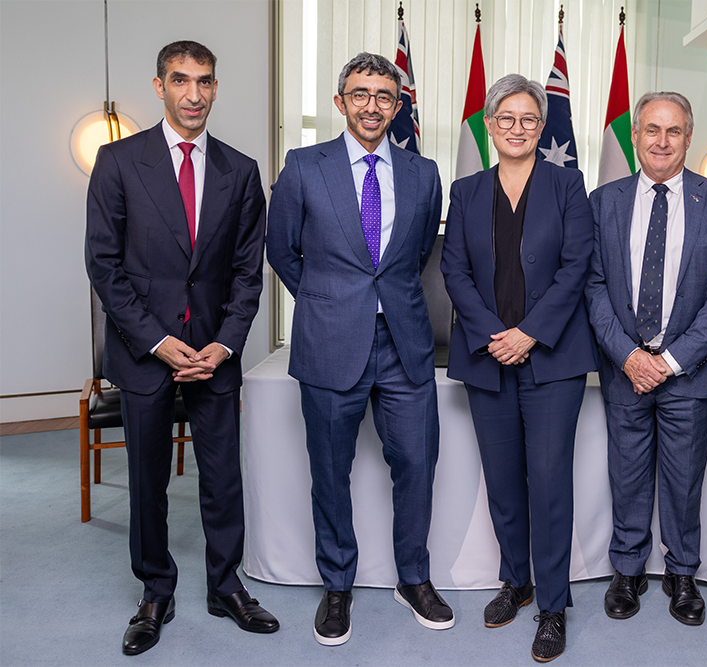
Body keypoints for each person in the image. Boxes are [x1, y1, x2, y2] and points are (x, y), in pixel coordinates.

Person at [85, 40, 277, 656]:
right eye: (180, 80)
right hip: (146, 357)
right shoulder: (117, 163)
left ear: (216, 88)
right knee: (147, 481)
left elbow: (249, 274)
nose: (194, 94)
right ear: (159, 86)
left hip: (214, 357)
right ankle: (155, 591)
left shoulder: (240, 171)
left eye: (205, 82)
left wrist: (223, 345)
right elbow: (104, 267)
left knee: (223, 480)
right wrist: (159, 343)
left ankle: (225, 586)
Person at [266, 52, 452, 646]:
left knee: (417, 466)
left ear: (397, 106)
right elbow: (281, 250)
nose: (372, 105)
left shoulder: (423, 175)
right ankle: (337, 584)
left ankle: (413, 578)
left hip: (404, 343)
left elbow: (420, 255)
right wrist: (325, 301)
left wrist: (375, 301)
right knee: (330, 469)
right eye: (360, 93)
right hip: (329, 344)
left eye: (384, 96)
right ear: (340, 101)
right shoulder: (302, 166)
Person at [441, 74, 597, 663]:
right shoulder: (465, 190)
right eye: (505, 117)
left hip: (552, 360)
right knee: (504, 483)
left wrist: (529, 333)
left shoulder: (568, 183)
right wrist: (493, 335)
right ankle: (517, 581)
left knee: (550, 485)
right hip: (488, 359)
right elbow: (453, 271)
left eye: (528, 119)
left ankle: (553, 606)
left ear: (541, 126)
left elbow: (577, 265)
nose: (516, 128)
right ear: (488, 123)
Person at [585, 91, 707, 627]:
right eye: (651, 129)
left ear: (688, 137)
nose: (661, 140)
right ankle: (626, 570)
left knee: (683, 479)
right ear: (635, 136)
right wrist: (629, 355)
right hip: (624, 367)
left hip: (689, 374)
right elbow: (595, 285)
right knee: (627, 476)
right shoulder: (603, 200)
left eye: (673, 131)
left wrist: (671, 360)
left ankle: (682, 574)